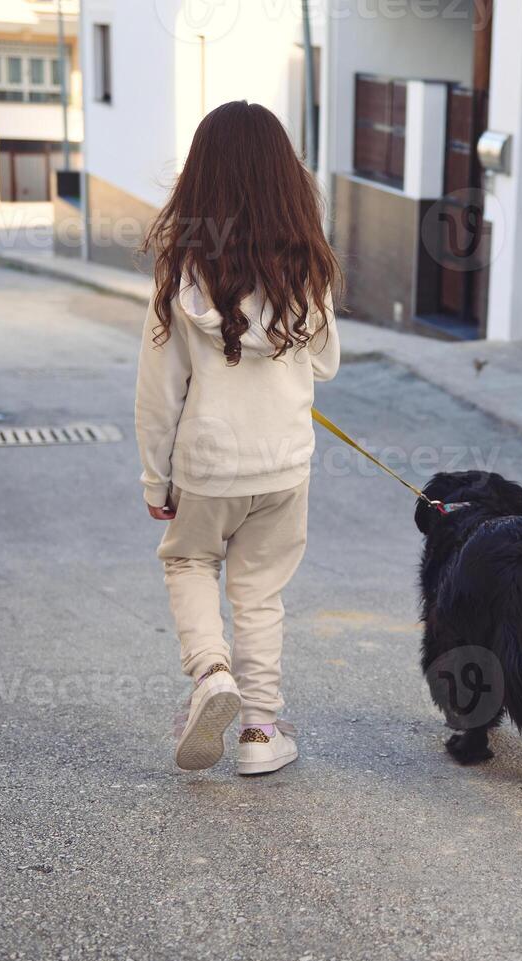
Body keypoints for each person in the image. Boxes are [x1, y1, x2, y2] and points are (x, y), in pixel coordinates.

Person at [135, 101, 341, 776]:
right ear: (285, 179)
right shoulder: (305, 266)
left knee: (189, 562)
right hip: (283, 464)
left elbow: (158, 392)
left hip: (207, 464)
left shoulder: (181, 273)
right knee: (259, 593)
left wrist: (154, 478)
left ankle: (211, 676)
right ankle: (258, 731)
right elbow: (323, 362)